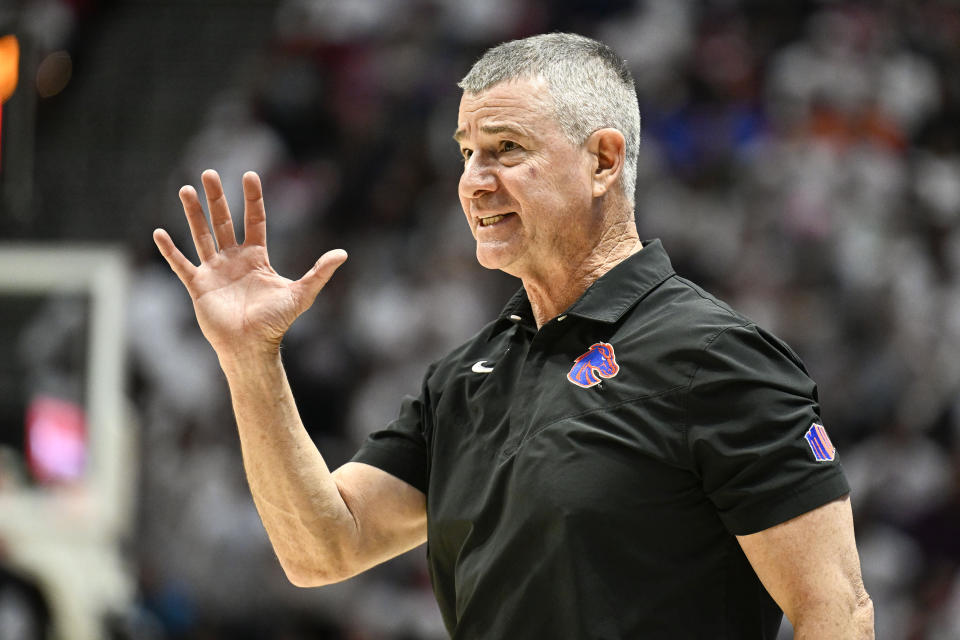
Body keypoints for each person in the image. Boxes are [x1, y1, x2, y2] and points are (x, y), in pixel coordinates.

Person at [153, 33, 873, 639]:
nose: (473, 180)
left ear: (603, 160)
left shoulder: (715, 358)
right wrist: (250, 359)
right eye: (467, 151)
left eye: (505, 148)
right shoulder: (465, 377)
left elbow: (835, 611)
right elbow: (323, 547)